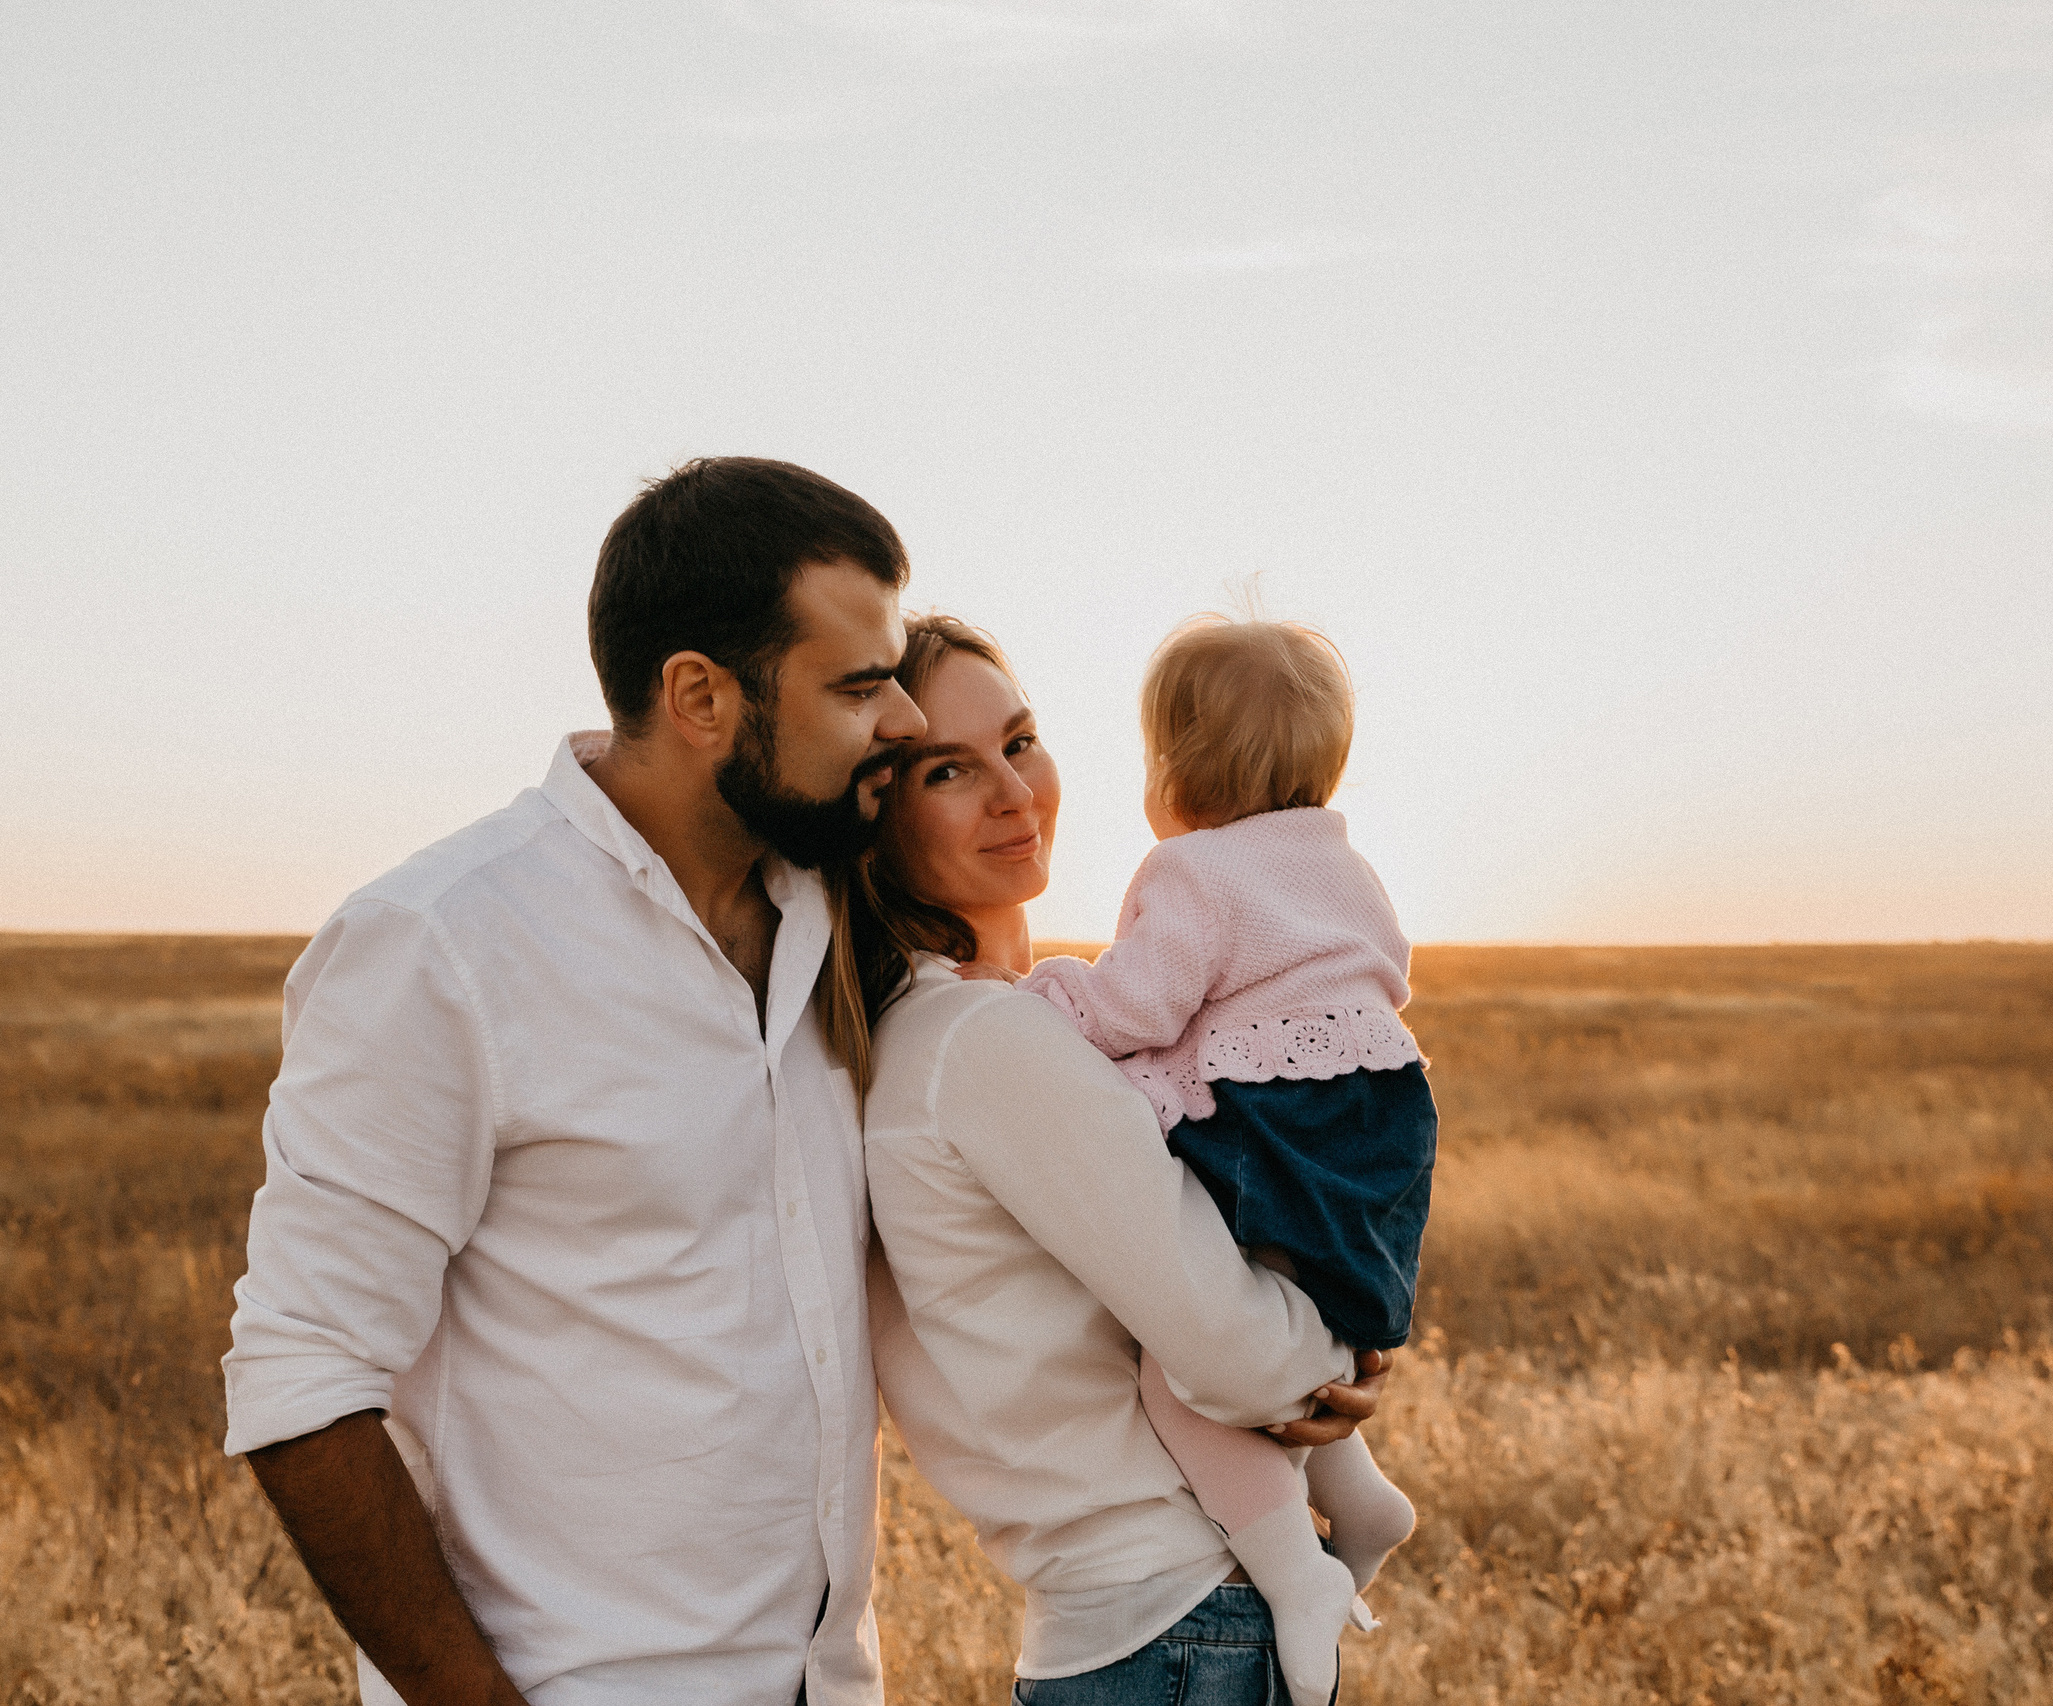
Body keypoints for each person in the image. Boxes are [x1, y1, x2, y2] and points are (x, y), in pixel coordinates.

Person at [221, 457, 929, 1706]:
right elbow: (302, 1375)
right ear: (700, 696)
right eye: (860, 685)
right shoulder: (444, 941)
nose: (905, 719)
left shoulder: (834, 919)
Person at [835, 615, 1391, 1706]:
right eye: (948, 769)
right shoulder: (978, 1040)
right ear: (878, 818)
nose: (1013, 792)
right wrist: (1342, 1347)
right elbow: (1248, 1361)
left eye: (1019, 741)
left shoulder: (941, 1033)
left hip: (1136, 1627)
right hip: (1177, 1618)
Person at [997, 614, 1436, 1703]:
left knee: (1183, 1365)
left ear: (1172, 771)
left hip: (1270, 1129)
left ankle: (1294, 1572)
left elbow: (1139, 1005)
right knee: (1294, 1310)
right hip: (1373, 1124)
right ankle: (1360, 1494)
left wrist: (1049, 995)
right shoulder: (1345, 862)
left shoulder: (1191, 869)